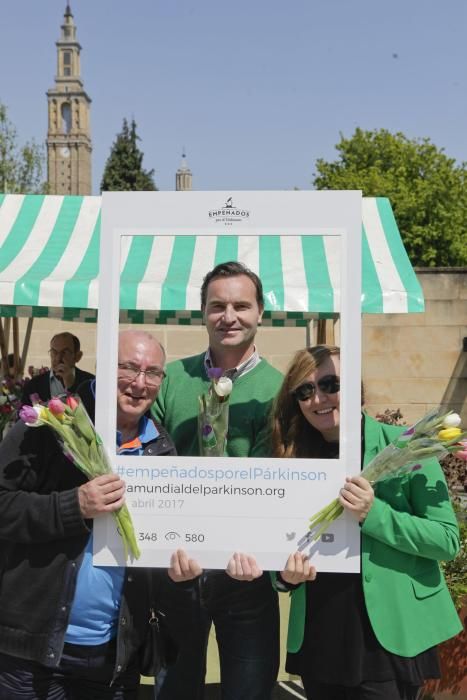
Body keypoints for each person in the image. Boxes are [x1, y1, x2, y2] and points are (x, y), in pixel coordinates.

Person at [272, 345, 462, 700]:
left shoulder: (408, 447)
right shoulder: (293, 458)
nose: (319, 398)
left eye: (330, 383)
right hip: (321, 633)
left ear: (356, 387)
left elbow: (446, 540)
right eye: (305, 390)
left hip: (388, 639)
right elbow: (277, 549)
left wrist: (374, 514)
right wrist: (284, 578)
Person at [0, 330, 182, 699]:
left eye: (153, 373)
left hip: (114, 658)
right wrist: (74, 506)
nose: (139, 382)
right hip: (31, 655)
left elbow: (157, 551)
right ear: (101, 367)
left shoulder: (161, 450)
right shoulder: (48, 426)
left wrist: (181, 568)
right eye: (129, 368)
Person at [152, 261, 283, 699]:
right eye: (217, 305)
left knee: (249, 691)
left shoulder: (281, 389)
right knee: (174, 692)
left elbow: (280, 481)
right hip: (177, 568)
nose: (229, 316)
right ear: (202, 312)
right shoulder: (170, 379)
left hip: (247, 574)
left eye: (241, 305)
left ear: (261, 312)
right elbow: (146, 460)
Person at [20, 331, 95, 405]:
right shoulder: (34, 385)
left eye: (65, 352)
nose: (58, 358)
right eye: (54, 352)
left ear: (77, 356)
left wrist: (71, 386)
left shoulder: (91, 383)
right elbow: (23, 414)